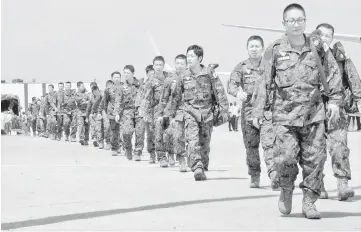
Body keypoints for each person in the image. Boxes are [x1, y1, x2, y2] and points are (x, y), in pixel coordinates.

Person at [251, 3, 342, 219]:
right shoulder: (273, 49)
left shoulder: (318, 47)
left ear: (305, 21)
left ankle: (309, 201)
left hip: (314, 115)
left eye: (300, 20)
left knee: (315, 160)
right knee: (284, 158)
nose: (295, 24)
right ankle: (286, 189)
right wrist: (257, 111)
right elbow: (263, 81)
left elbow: (332, 73)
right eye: (291, 20)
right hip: (283, 117)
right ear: (283, 23)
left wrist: (335, 101)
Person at [170, 45, 229, 180]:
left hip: (207, 113)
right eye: (188, 56)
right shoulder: (183, 75)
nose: (189, 59)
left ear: (200, 58)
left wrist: (224, 110)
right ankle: (197, 166)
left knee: (205, 143)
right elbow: (176, 96)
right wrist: (171, 114)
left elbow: (219, 91)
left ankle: (202, 165)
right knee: (192, 140)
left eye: (192, 56)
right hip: (190, 112)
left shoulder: (209, 73)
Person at [317, 23, 361, 200]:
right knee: (315, 150)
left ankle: (342, 184)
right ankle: (317, 185)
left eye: (328, 35)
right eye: (321, 35)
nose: (324, 38)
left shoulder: (341, 58)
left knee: (339, 147)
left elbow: (354, 80)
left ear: (332, 38)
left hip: (336, 110)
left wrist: (359, 101)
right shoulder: (307, 57)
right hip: (314, 110)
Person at [228, 35, 277, 188]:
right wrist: (237, 93)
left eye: (257, 46)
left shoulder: (270, 66)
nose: (254, 49)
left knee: (270, 144)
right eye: (251, 46)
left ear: (262, 48)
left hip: (267, 111)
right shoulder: (242, 67)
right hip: (249, 111)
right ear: (247, 48)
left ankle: (274, 174)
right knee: (251, 146)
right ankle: (254, 175)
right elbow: (231, 85)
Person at [160, 54, 188, 171]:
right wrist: (163, 114)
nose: (179, 66)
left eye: (182, 63)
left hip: (193, 110)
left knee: (192, 137)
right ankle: (181, 159)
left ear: (186, 64)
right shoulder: (169, 80)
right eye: (177, 63)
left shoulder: (191, 77)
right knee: (178, 136)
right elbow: (164, 98)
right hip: (177, 111)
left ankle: (193, 158)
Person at [142, 56, 170, 167]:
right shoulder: (150, 81)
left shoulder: (169, 77)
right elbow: (147, 98)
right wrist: (146, 113)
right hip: (156, 110)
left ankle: (171, 154)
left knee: (169, 133)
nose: (158, 67)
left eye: (160, 65)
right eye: (156, 65)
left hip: (169, 109)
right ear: (153, 66)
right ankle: (161, 157)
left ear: (163, 66)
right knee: (157, 134)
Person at [115, 65, 142, 160]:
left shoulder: (140, 84)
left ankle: (138, 152)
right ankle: (128, 147)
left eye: (128, 73)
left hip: (139, 110)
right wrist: (117, 113)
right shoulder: (122, 87)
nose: (126, 75)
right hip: (127, 111)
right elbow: (118, 100)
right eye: (124, 73)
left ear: (133, 73)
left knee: (140, 132)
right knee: (126, 132)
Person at [99, 72, 123, 155]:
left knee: (123, 130)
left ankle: (121, 145)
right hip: (112, 112)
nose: (117, 79)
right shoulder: (108, 89)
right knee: (114, 130)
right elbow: (105, 101)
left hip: (123, 112)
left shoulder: (124, 87)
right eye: (115, 77)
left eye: (118, 77)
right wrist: (105, 111)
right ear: (112, 78)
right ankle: (115, 147)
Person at [75, 81, 91, 145]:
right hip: (80, 112)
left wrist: (86, 101)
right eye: (82, 86)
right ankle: (81, 138)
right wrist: (84, 97)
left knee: (87, 126)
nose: (83, 87)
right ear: (78, 87)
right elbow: (77, 100)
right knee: (81, 125)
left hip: (87, 112)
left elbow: (90, 100)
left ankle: (86, 139)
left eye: (84, 86)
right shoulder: (76, 94)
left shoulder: (87, 93)